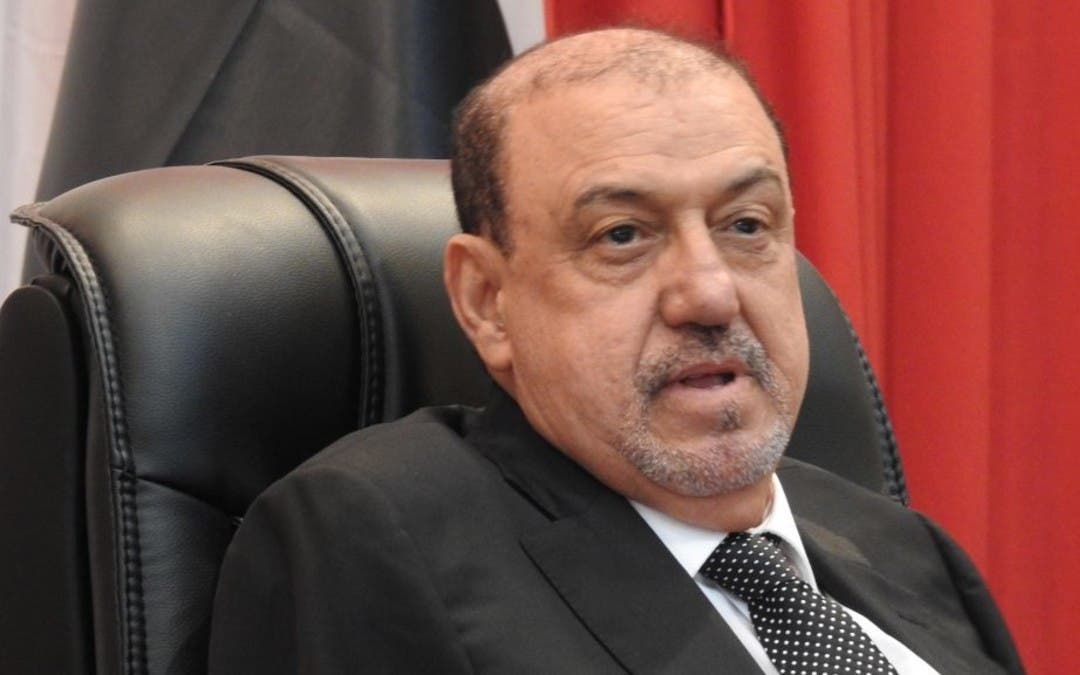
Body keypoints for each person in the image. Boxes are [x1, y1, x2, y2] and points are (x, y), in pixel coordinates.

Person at [208, 28, 1023, 674]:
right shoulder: (374, 537)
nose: (710, 294)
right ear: (487, 301)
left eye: (746, 224)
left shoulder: (905, 550)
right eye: (623, 235)